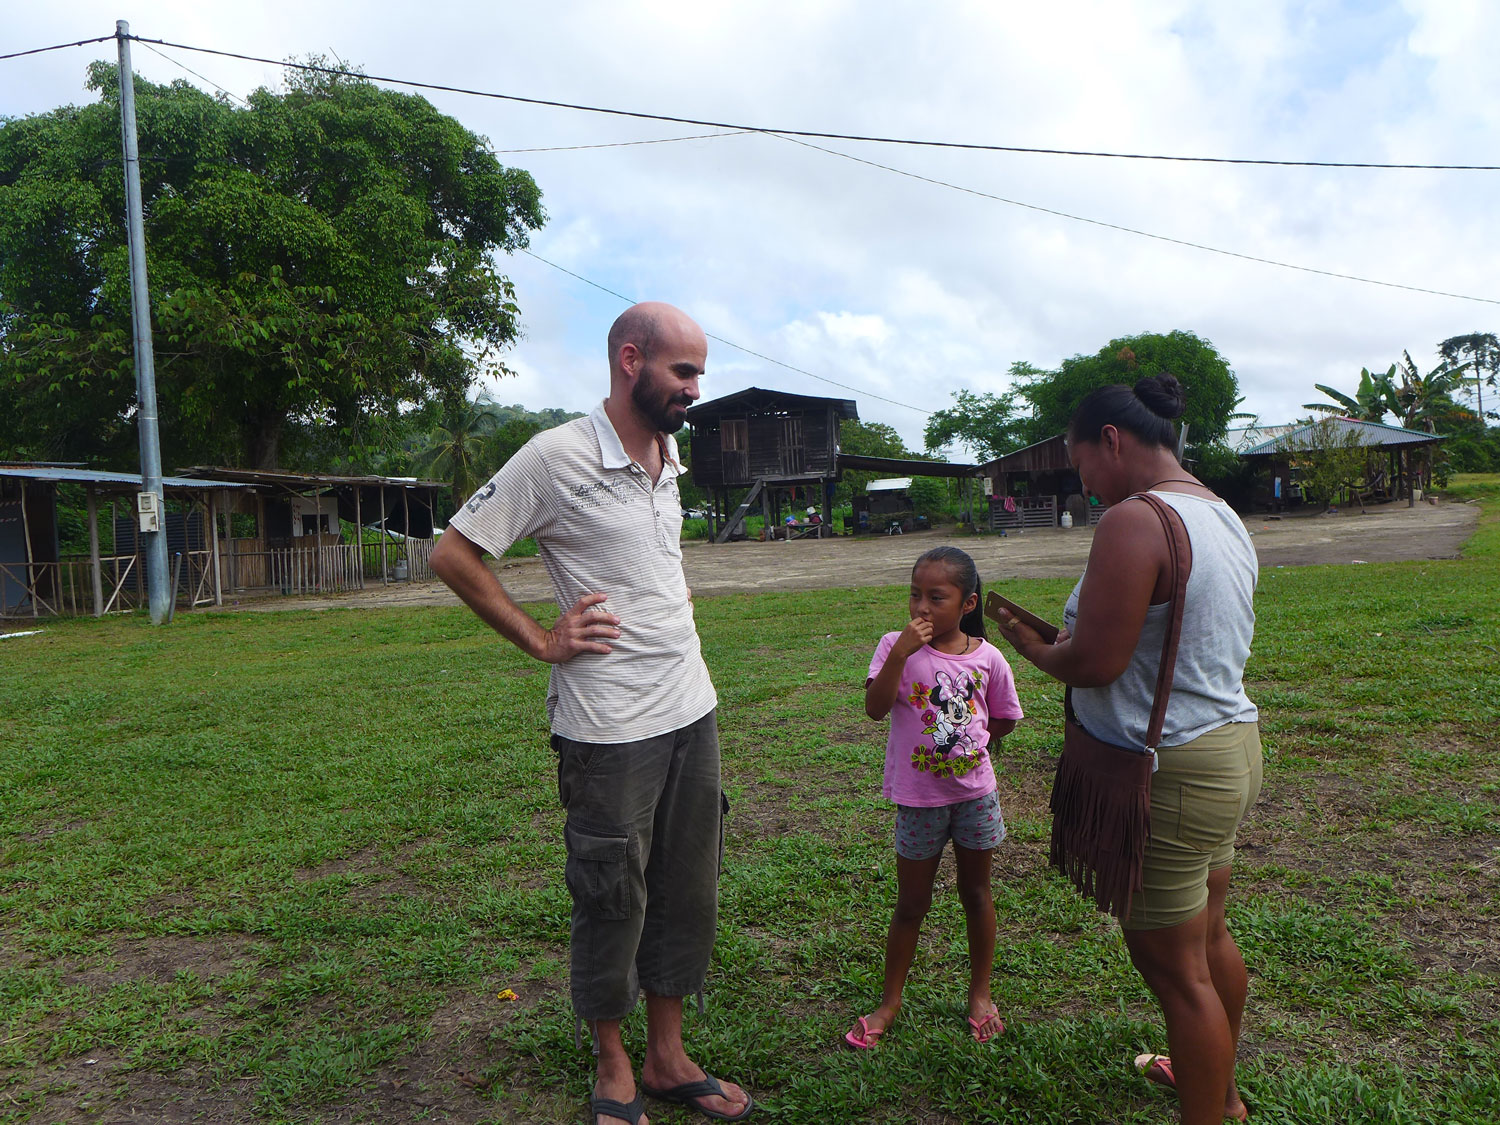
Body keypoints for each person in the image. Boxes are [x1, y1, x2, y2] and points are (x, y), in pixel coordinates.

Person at [430, 303, 752, 1125]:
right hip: (608, 728)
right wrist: (542, 637)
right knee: (613, 894)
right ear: (630, 359)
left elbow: (654, 560)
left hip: (691, 708)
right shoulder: (557, 456)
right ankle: (613, 1062)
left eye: (699, 374)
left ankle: (668, 1055)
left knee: (688, 887)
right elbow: (453, 552)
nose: (694, 388)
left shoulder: (668, 453)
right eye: (683, 372)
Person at [993, 373, 1261, 1125]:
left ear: (1111, 441)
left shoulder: (1133, 520)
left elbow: (1096, 663)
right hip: (1227, 745)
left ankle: (1211, 1107)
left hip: (1166, 768)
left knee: (1176, 971)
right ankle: (1217, 1086)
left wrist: (1032, 646)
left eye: (1081, 464)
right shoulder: (1220, 511)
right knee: (1208, 936)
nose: (1085, 482)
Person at [845, 546, 1024, 1049]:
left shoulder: (989, 657)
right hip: (919, 800)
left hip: (974, 797)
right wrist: (901, 652)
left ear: (967, 603)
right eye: (915, 595)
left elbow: (1005, 716)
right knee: (911, 903)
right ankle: (889, 1001)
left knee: (977, 894)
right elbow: (875, 709)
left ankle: (981, 993)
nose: (921, 607)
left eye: (936, 597)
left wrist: (972, 744)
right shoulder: (892, 647)